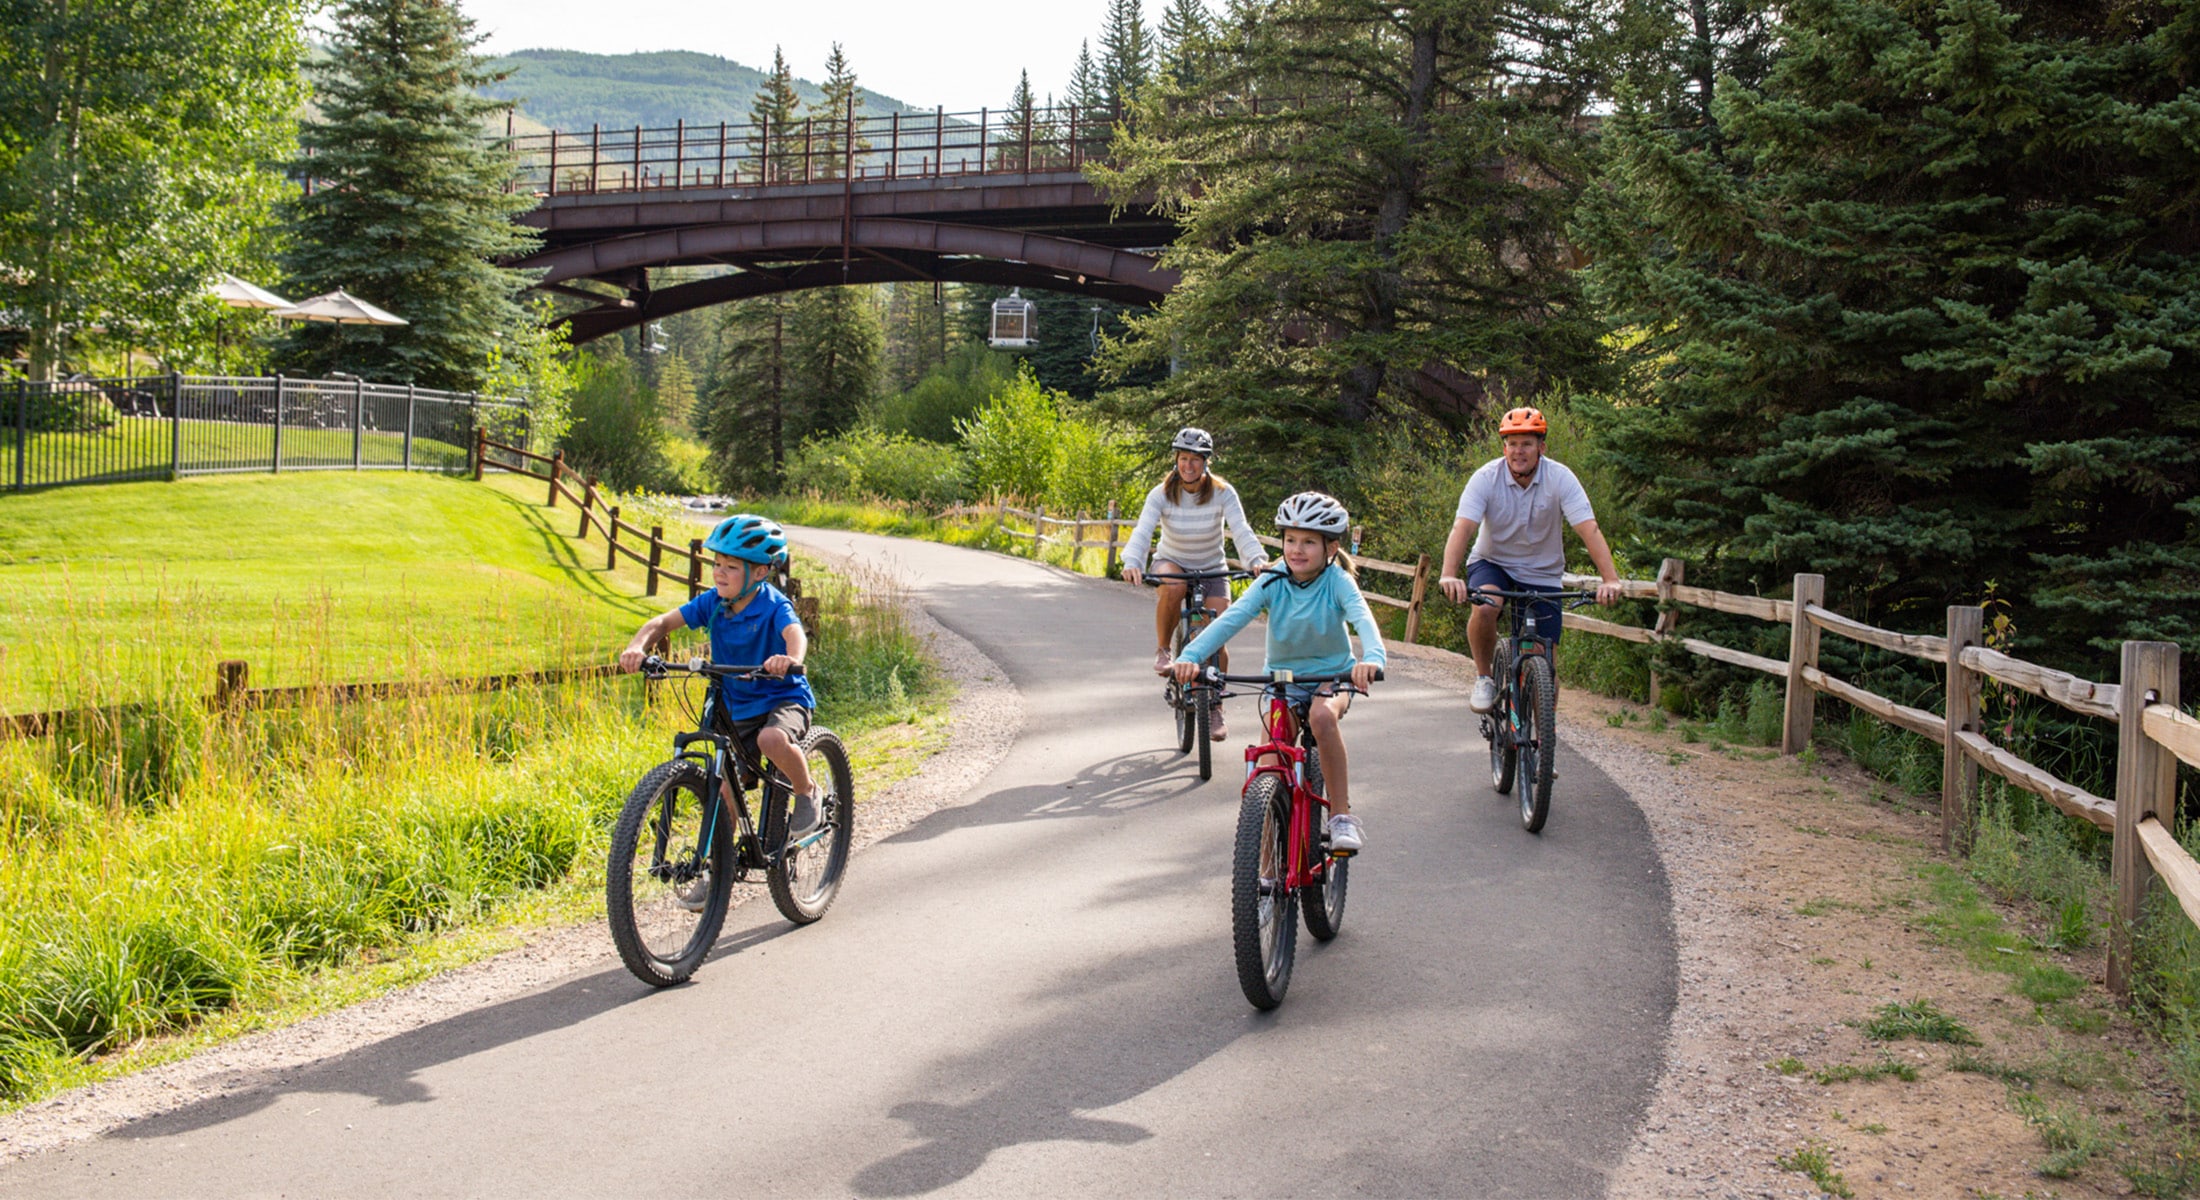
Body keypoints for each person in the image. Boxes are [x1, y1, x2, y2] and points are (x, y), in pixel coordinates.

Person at [1172, 492, 1385, 852]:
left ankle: (1341, 815)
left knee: (1321, 717)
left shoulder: (1338, 582)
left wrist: (1373, 659)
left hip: (1332, 678)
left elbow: (1364, 620)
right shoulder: (1272, 579)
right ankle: (1267, 876)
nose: (1296, 549)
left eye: (1308, 542)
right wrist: (1191, 655)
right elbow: (1233, 618)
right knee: (1268, 769)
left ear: (1331, 547)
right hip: (1280, 683)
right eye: (1290, 540)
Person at [618, 514, 822, 837]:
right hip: (736, 706)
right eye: (716, 563)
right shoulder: (714, 602)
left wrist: (789, 659)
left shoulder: (773, 605)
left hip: (782, 698)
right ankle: (719, 865)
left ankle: (806, 790)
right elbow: (662, 624)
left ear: (759, 572)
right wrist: (636, 647)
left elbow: (796, 635)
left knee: (770, 739)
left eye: (730, 566)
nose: (719, 573)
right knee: (722, 779)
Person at [1437, 407, 1624, 714]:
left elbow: (1588, 529)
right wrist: (1448, 574)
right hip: (1492, 562)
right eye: (1512, 443)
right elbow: (1463, 527)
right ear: (1504, 448)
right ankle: (1484, 677)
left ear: (1542, 447)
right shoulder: (1486, 478)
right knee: (1486, 606)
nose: (1518, 451)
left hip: (1543, 572)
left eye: (1526, 443)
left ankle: (1541, 742)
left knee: (1544, 660)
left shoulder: (1561, 478)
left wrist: (1610, 579)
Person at [1122, 427, 1269, 740]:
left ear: (1206, 462)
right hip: (1171, 561)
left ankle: (1214, 704)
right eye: (1183, 458)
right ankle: (1164, 650)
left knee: (1217, 631)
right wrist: (1133, 561)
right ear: (1176, 460)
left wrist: (1255, 560)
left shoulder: (1222, 492)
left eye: (1196, 460)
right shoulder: (1161, 493)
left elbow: (1241, 530)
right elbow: (1143, 530)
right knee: (1173, 588)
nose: (1189, 465)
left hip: (1211, 567)